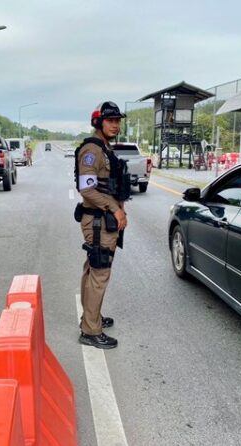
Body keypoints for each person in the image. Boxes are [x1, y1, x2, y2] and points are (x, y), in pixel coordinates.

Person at [74, 101, 131, 349]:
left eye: (118, 121)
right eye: (110, 121)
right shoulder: (92, 150)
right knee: (99, 272)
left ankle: (91, 317)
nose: (115, 125)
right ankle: (90, 330)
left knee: (93, 269)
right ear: (98, 122)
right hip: (98, 220)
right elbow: (87, 189)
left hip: (104, 218)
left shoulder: (106, 149)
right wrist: (115, 209)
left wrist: (120, 209)